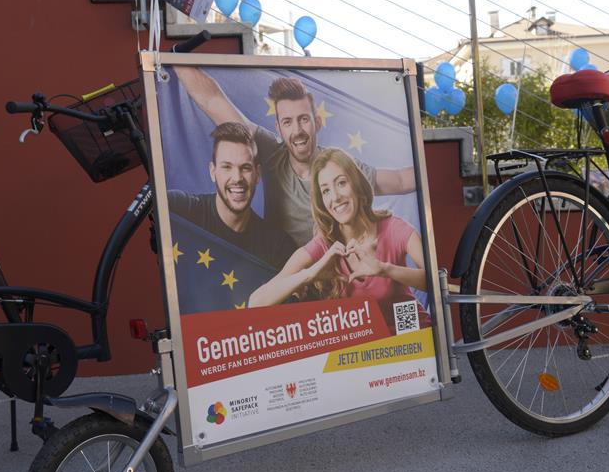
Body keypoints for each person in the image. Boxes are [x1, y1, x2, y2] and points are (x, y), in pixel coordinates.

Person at [172, 66, 416, 246]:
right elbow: (212, 100)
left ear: (317, 122)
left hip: (333, 281)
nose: (297, 130)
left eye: (303, 119)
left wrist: (434, 173)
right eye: (288, 122)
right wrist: (172, 59)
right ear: (279, 128)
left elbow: (400, 180)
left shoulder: (338, 166)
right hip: (281, 275)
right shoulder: (270, 151)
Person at [248, 148, 425, 307]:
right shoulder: (324, 245)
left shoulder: (394, 228)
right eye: (326, 191)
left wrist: (386, 270)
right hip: (366, 334)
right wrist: (309, 275)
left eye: (341, 183)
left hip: (410, 328)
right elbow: (256, 302)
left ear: (356, 184)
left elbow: (434, 279)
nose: (335, 197)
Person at [167, 122, 296, 269]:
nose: (237, 178)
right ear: (213, 172)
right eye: (227, 167)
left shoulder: (277, 246)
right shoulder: (181, 209)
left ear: (258, 174)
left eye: (245, 168)